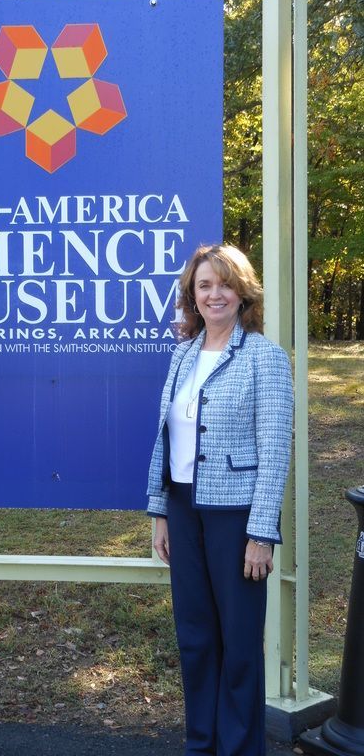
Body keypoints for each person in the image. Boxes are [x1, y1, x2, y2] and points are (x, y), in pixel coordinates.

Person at [147, 244, 293, 756]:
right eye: (204, 285)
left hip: (237, 516)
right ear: (192, 294)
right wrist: (161, 510)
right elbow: (165, 438)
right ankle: (201, 745)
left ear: (243, 292)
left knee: (238, 645)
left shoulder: (265, 358)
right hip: (185, 509)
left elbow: (275, 451)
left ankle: (239, 748)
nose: (215, 294)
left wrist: (261, 532)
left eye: (224, 284)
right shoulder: (183, 354)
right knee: (196, 638)